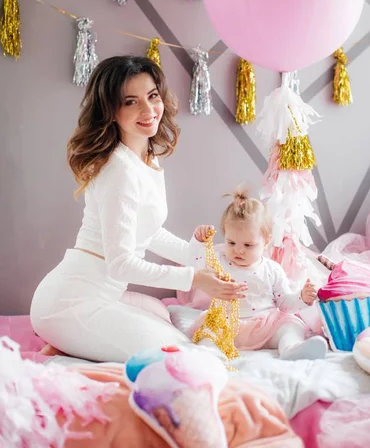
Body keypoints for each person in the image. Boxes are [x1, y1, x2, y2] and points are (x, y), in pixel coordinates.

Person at [30, 56, 248, 362]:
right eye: (131, 102)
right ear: (110, 110)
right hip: (69, 302)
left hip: (98, 297)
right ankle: (64, 339)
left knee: (175, 338)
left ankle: (70, 346)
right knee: (181, 357)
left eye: (152, 96)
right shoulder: (119, 170)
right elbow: (121, 265)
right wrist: (194, 278)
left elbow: (148, 232)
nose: (148, 111)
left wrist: (206, 257)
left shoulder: (146, 159)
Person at [186, 188, 328, 360]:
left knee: (291, 325)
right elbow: (194, 263)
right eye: (231, 242)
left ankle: (291, 348)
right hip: (227, 324)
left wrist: (302, 298)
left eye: (248, 245)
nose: (238, 250)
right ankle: (210, 354)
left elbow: (284, 303)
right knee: (208, 332)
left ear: (266, 241)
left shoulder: (272, 269)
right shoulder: (219, 260)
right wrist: (198, 242)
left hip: (265, 326)